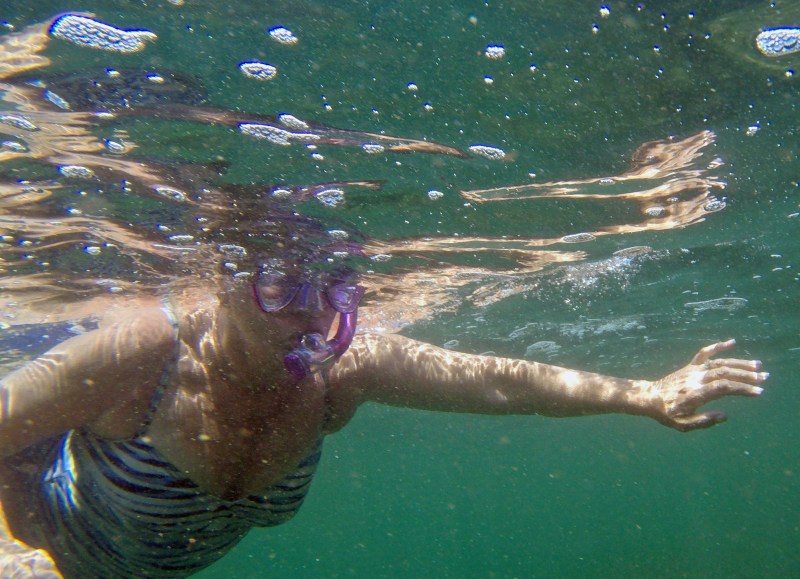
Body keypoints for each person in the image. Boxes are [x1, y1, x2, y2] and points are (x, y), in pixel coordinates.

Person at [0, 13, 768, 579]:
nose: (314, 313)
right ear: (223, 284)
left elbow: (500, 382)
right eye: (278, 283)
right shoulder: (145, 352)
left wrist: (646, 393)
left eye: (333, 286)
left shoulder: (345, 369)